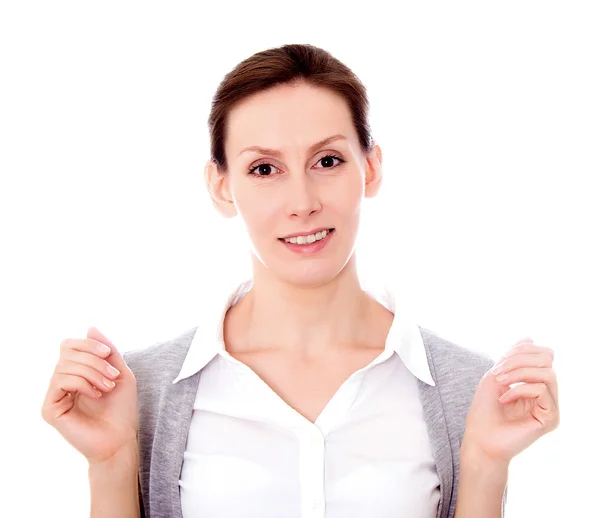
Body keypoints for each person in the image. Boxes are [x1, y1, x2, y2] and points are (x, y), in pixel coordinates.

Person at [41, 43, 560, 518]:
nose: (303, 203)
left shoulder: (466, 389)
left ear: (371, 167)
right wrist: (110, 462)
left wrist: (488, 464)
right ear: (222, 187)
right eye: (265, 169)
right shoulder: (142, 390)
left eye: (327, 160)